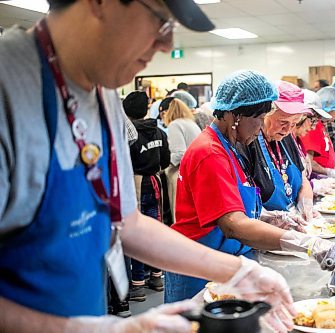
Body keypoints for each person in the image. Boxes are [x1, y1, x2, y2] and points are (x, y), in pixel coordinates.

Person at [0, 1, 297, 332]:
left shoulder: (104, 93)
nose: (167, 44)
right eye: (161, 20)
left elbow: (127, 221)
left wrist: (238, 271)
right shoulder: (8, 87)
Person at [168, 70, 335, 304]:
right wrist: (308, 244)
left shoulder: (232, 146)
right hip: (199, 270)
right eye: (259, 119)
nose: (260, 129)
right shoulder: (210, 153)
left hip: (227, 262)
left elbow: (233, 202)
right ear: (236, 115)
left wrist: (267, 217)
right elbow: (232, 225)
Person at [240, 81, 318, 224]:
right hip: (265, 233)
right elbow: (244, 205)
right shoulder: (248, 142)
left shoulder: (287, 138)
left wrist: (305, 206)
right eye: (283, 122)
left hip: (294, 223)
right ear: (265, 114)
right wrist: (275, 219)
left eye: (294, 123)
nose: (288, 129)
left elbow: (302, 179)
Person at [123, 91, 169, 301]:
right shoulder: (159, 132)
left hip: (136, 184)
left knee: (136, 233)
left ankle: (137, 284)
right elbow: (166, 161)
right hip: (156, 183)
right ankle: (157, 276)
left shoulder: (128, 135)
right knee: (156, 231)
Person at [161, 98, 201, 224]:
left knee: (178, 216)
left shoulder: (174, 125)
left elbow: (179, 153)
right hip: (195, 172)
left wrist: (162, 167)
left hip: (180, 174)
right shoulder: (191, 123)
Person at [300, 89, 335, 179]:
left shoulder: (320, 125)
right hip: (317, 179)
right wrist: (328, 171)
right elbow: (309, 162)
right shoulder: (312, 127)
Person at [291, 89, 332, 179]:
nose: (313, 127)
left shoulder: (297, 142)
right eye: (313, 121)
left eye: (316, 122)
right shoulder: (286, 142)